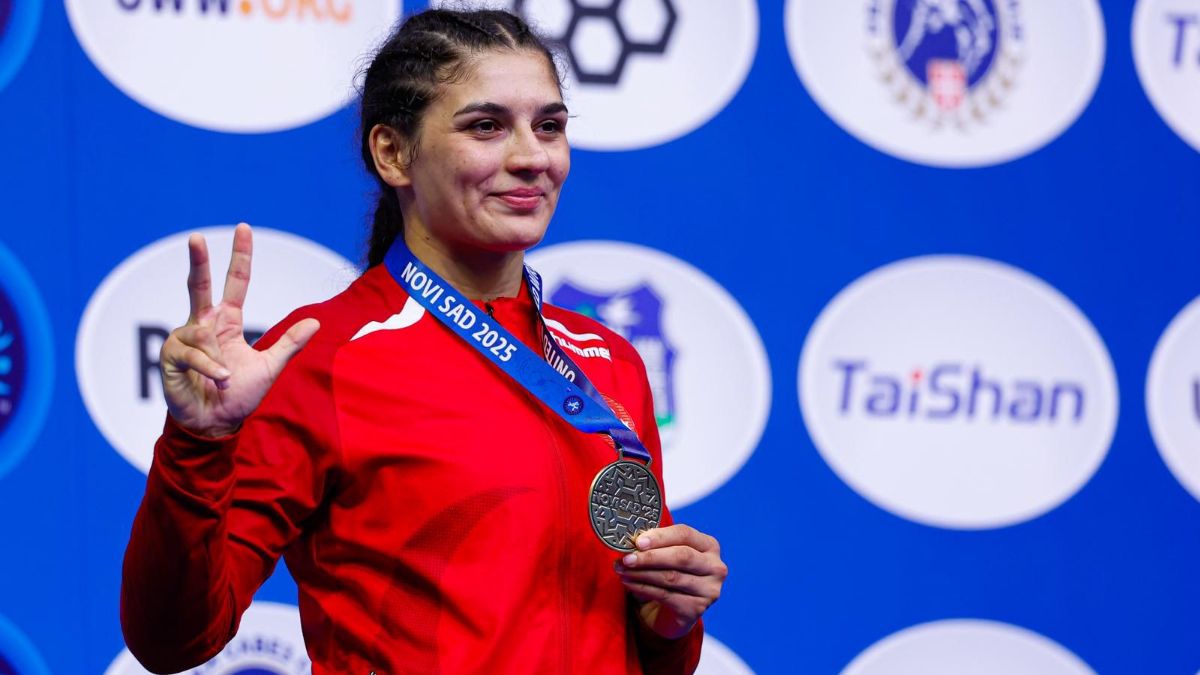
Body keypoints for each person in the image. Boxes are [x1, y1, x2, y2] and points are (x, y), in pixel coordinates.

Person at [121, 8, 727, 674]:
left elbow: (638, 650)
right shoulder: (322, 356)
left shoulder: (608, 361)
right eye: (486, 126)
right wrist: (198, 443)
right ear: (393, 153)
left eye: (549, 126)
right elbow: (173, 638)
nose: (532, 157)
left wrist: (670, 618)